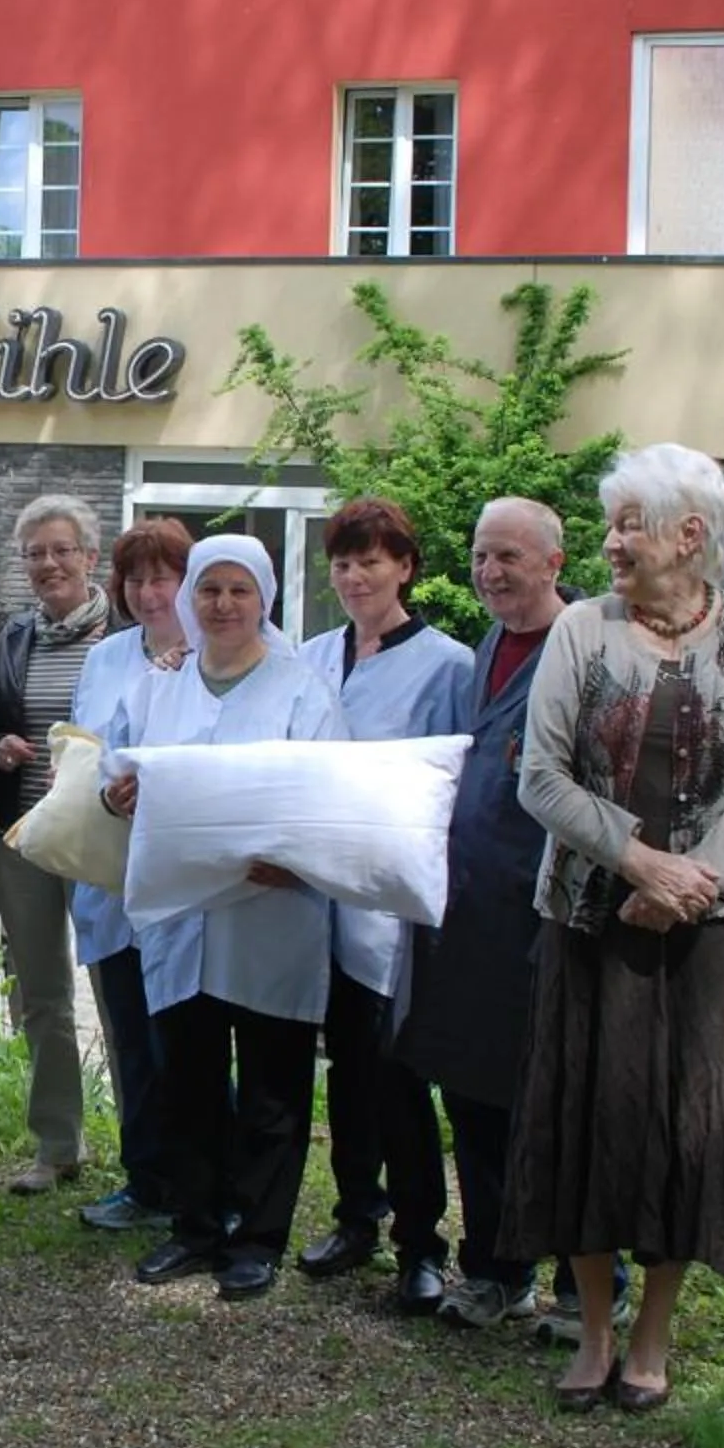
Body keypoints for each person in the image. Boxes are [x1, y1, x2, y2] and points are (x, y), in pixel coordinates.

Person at [508, 443, 724, 1412]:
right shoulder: (582, 628)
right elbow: (541, 776)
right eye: (611, 524)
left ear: (690, 534)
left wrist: (691, 882)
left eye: (628, 524)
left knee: (686, 1127)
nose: (611, 542)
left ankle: (652, 1337)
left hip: (705, 931)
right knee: (586, 1118)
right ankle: (595, 1329)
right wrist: (640, 864)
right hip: (589, 922)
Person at [106, 534, 349, 1302]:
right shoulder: (159, 687)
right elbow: (117, 768)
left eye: (240, 590)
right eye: (209, 590)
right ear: (191, 599)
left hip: (272, 910)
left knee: (274, 1082)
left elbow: (329, 796)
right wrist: (116, 795)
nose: (223, 605)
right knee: (189, 1080)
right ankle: (197, 1226)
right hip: (181, 915)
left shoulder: (302, 690)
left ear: (264, 598)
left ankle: (258, 1237)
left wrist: (298, 860)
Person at [394, 498, 571, 1330]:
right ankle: (497, 1269)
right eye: (480, 556)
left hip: (548, 912)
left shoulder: (583, 648)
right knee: (474, 1094)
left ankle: (587, 1283)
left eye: (509, 557)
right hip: (470, 910)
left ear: (554, 564)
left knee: (557, 1101)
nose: (490, 573)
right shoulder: (486, 650)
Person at [297, 498, 473, 1299]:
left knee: (398, 1075)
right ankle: (356, 1216)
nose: (355, 577)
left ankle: (420, 1243)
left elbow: (461, 782)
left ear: (405, 566)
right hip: (316, 900)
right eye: (342, 563)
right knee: (346, 1071)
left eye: (371, 561)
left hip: (392, 908)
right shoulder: (310, 656)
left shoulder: (447, 665)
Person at [0, 493, 113, 1195]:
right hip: (24, 836)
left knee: (119, 990)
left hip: (101, 838)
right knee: (42, 992)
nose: (49, 564)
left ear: (91, 557)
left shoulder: (128, 635)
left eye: (63, 550)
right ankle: (58, 1144)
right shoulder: (15, 638)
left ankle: (148, 1148)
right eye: (35, 554)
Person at [70, 517, 193, 1234]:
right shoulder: (106, 657)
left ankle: (206, 1184)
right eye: (136, 580)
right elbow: (83, 752)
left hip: (183, 877)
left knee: (185, 1039)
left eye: (163, 578)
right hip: (111, 870)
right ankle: (147, 1180)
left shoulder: (217, 653)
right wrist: (107, 792)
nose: (148, 593)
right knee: (131, 1037)